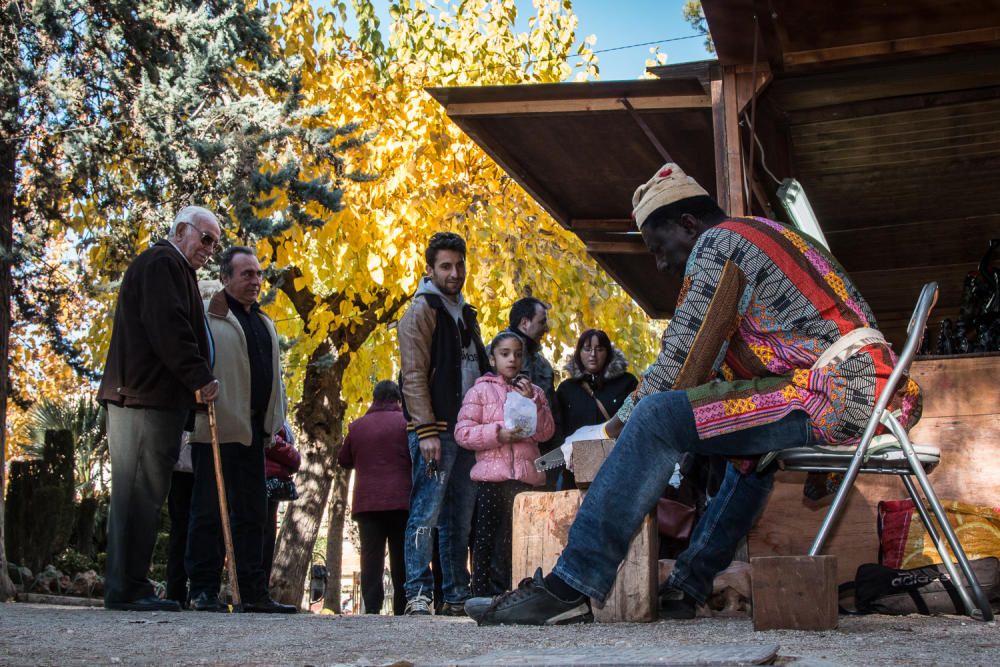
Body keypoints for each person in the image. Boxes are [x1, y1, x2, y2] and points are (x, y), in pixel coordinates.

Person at [473, 162, 923, 626]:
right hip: (867, 389)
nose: (662, 265)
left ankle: (570, 586)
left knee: (657, 415)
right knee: (749, 458)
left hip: (837, 390)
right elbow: (712, 373)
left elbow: (683, 364)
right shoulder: (761, 233)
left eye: (659, 248)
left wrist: (613, 426)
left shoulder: (719, 242)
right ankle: (688, 585)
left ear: (689, 224)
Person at [98, 206, 221, 612]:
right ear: (182, 230)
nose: (210, 248)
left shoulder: (175, 268)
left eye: (215, 243)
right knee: (137, 494)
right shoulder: (161, 262)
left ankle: (131, 583)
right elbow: (169, 328)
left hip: (155, 399)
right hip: (142, 399)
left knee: (146, 495)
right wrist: (199, 376)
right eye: (206, 238)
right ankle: (126, 587)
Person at [185, 245, 295, 614]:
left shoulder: (263, 321)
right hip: (216, 429)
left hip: (253, 432)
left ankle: (253, 591)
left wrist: (273, 422)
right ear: (225, 277)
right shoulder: (209, 316)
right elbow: (193, 362)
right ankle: (202, 589)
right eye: (246, 273)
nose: (255, 280)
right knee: (209, 512)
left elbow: (272, 378)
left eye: (258, 274)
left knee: (253, 515)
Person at [398, 232, 489, 616]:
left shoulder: (465, 312)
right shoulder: (421, 311)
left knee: (458, 518)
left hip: (467, 430)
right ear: (430, 269)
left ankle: (455, 593)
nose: (454, 273)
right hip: (435, 429)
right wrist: (426, 430)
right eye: (446, 266)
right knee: (426, 513)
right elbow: (414, 375)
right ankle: (417, 592)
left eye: (459, 265)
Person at [455, 331, 555, 597]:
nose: (512, 359)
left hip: (525, 479)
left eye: (518, 354)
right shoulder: (480, 391)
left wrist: (533, 402)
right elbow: (463, 433)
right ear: (492, 358)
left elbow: (545, 433)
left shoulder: (534, 392)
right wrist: (497, 434)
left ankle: (518, 592)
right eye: (505, 354)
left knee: (521, 538)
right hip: (491, 479)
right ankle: (482, 594)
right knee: (487, 537)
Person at [338, 380, 411, 615]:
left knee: (371, 557)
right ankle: (401, 606)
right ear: (398, 399)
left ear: (374, 398)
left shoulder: (357, 426)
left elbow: (344, 459)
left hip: (367, 502)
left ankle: (372, 607)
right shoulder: (406, 425)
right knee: (401, 556)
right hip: (401, 501)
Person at [554, 329, 638, 489]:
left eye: (599, 349)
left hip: (616, 467)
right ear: (579, 353)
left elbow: (635, 423)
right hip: (575, 472)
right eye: (587, 349)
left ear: (608, 352)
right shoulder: (567, 388)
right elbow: (558, 430)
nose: (593, 354)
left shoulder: (627, 383)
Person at [263, 422, 301, 586]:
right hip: (265, 477)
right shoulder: (272, 415)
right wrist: (294, 455)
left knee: (267, 531)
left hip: (271, 478)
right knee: (263, 531)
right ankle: (256, 586)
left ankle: (260, 584)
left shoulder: (279, 417)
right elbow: (271, 442)